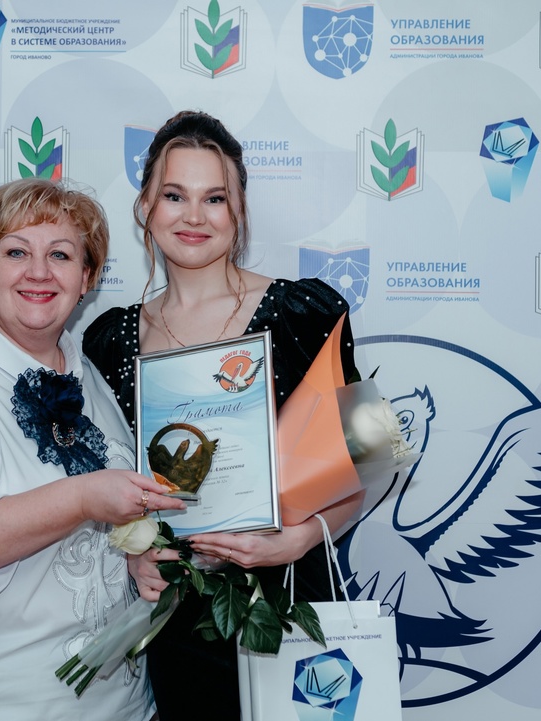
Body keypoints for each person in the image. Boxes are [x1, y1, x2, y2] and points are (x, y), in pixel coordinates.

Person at [82, 111, 362, 720]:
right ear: (145, 206)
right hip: (177, 622)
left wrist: (296, 541)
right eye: (173, 196)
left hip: (289, 601)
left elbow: (362, 467)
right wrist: (133, 556)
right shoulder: (109, 341)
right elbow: (106, 487)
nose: (194, 216)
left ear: (238, 211)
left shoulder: (306, 313)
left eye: (215, 198)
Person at [0, 178, 187, 721]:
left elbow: (100, 530)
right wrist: (82, 499)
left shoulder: (88, 376)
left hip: (120, 704)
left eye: (61, 255)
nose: (39, 272)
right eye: (16, 252)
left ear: (86, 278)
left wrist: (132, 556)